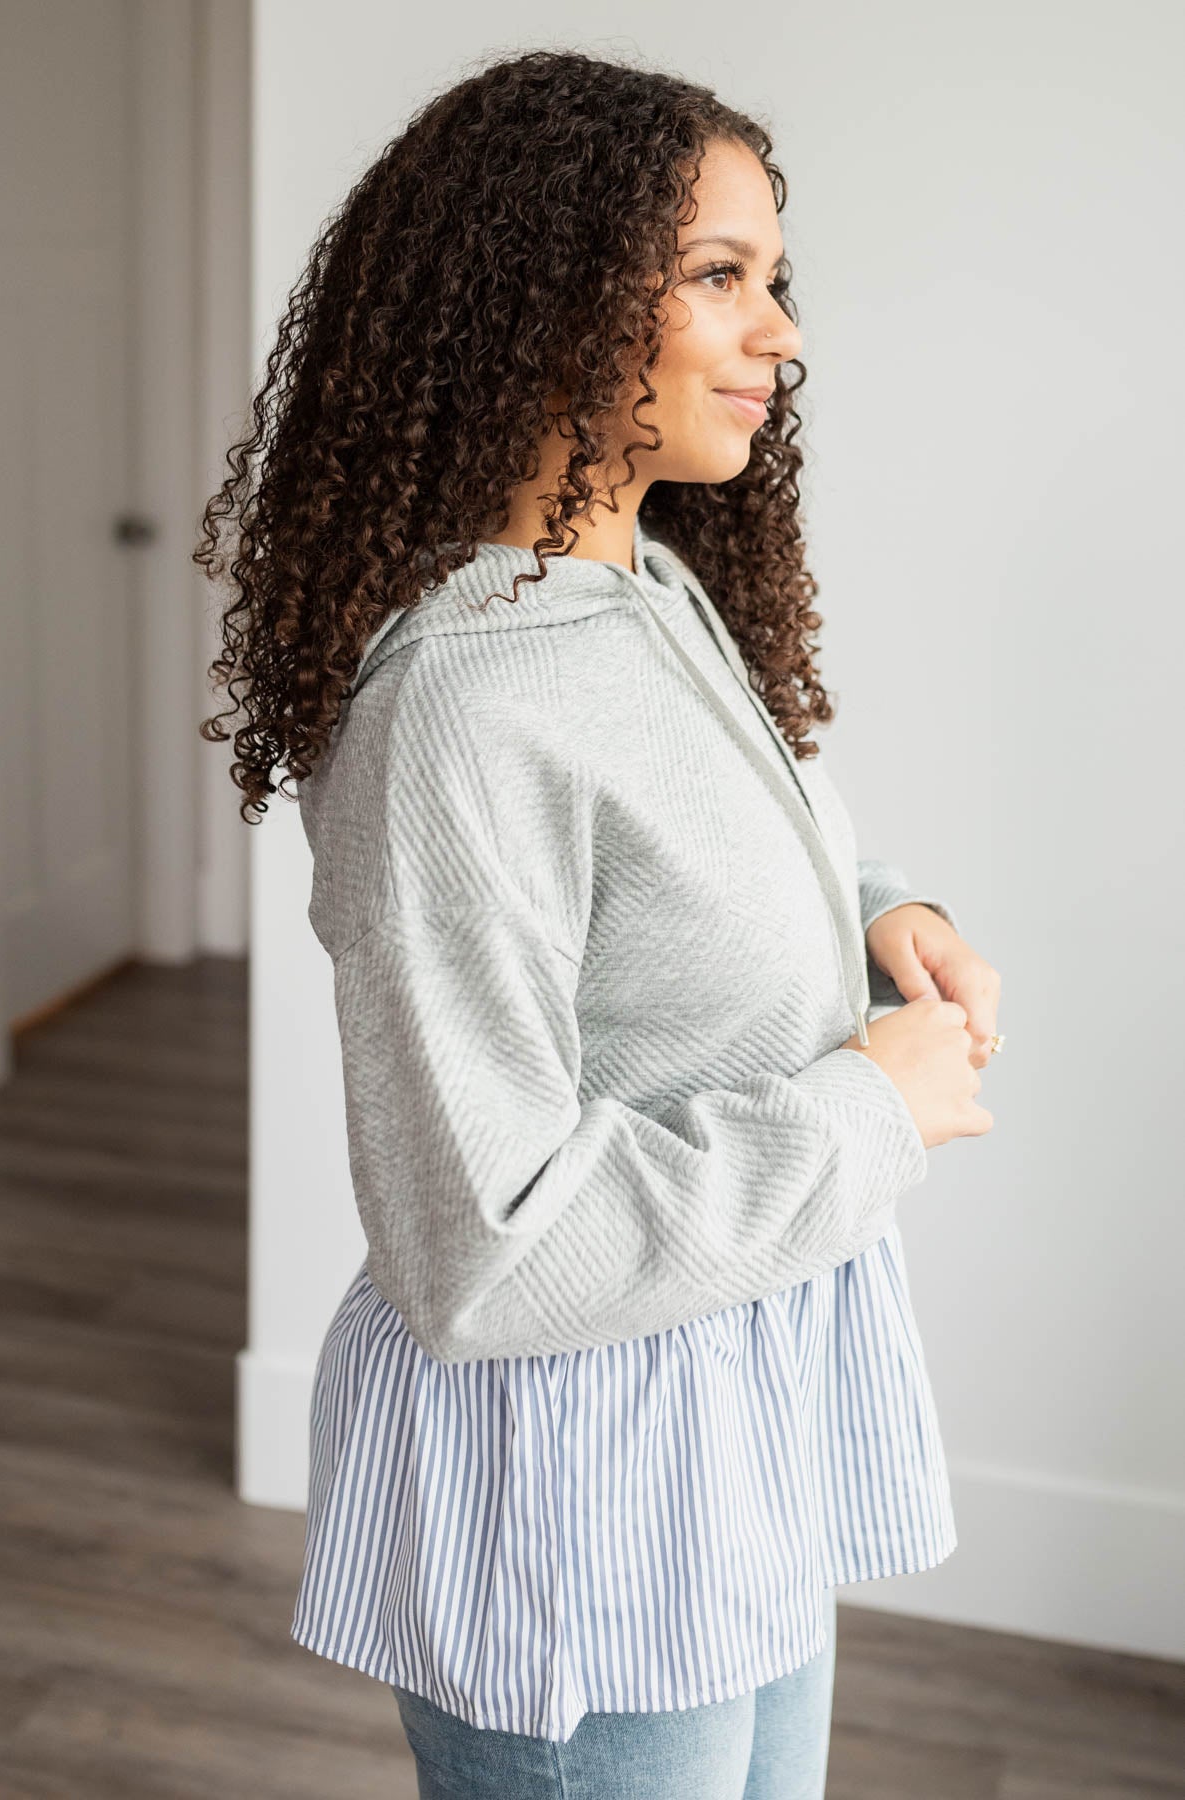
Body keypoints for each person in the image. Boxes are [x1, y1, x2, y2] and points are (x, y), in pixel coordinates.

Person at [196, 47, 1000, 1798]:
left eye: (772, 277)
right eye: (718, 276)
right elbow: (484, 1249)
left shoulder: (648, 585)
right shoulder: (464, 706)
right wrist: (870, 1108)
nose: (778, 331)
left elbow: (685, 867)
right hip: (588, 1487)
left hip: (741, 1419)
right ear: (545, 300)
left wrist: (877, 914)